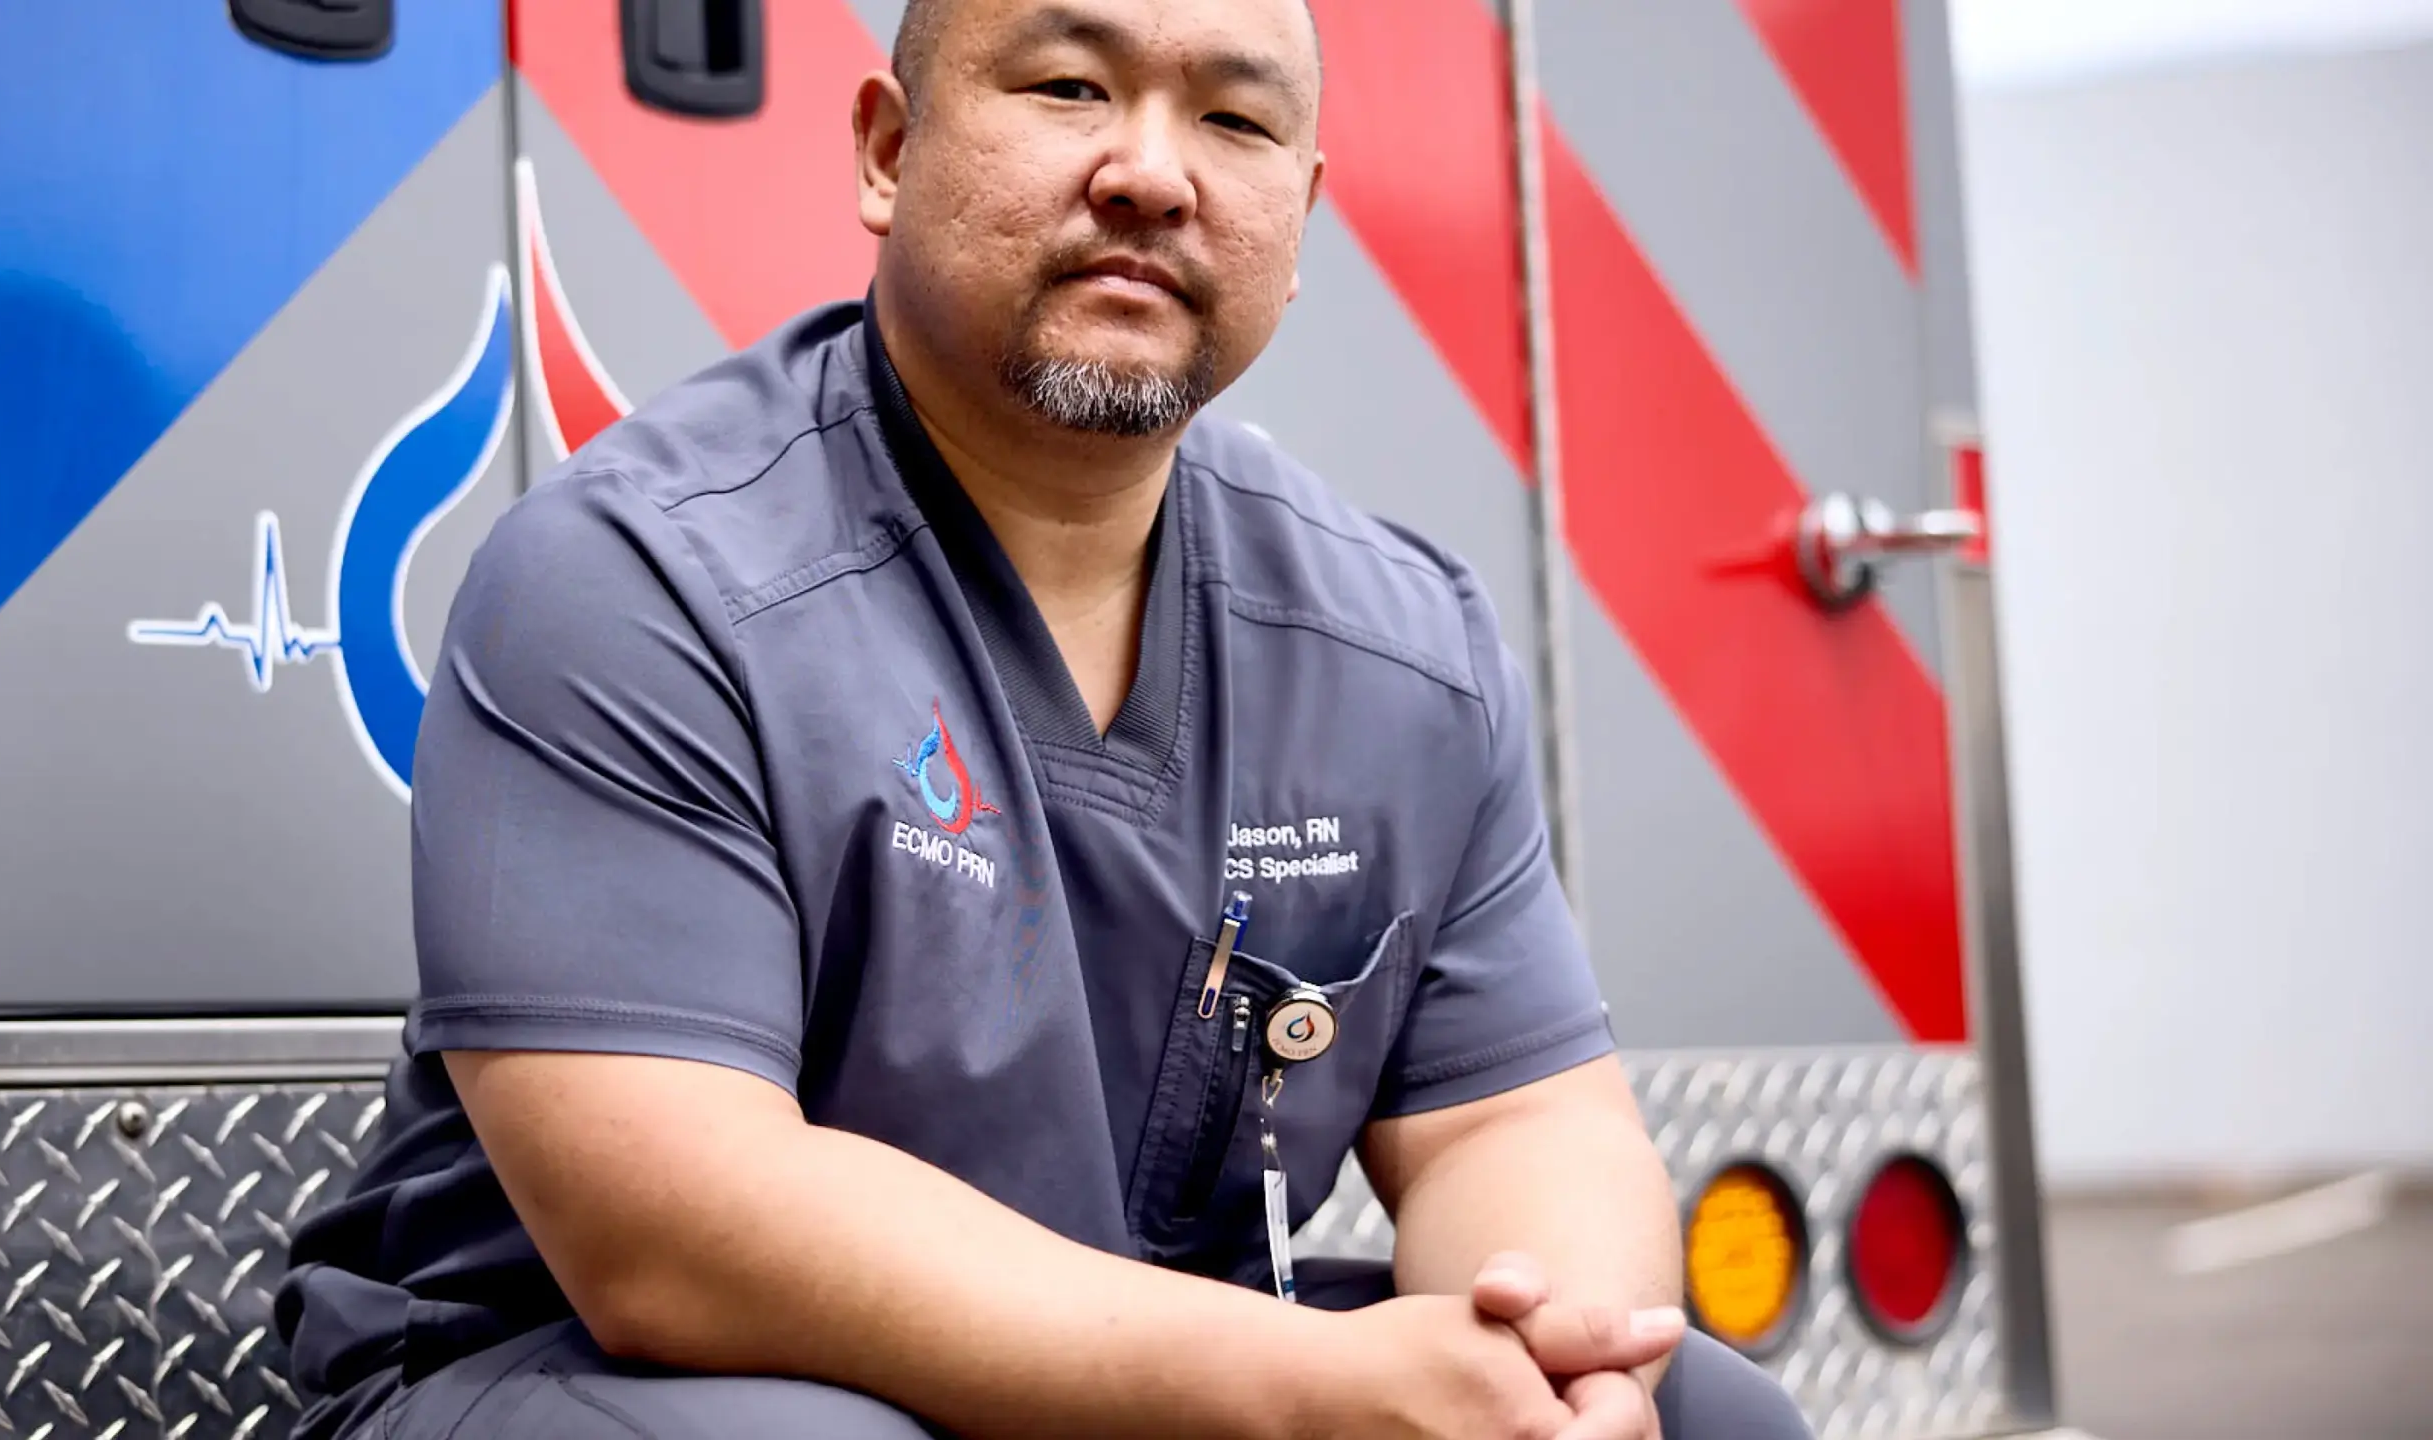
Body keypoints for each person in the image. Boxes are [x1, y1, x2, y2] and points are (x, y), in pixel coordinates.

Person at [273, 0, 1816, 1435]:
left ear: (1301, 222)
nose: (1151, 174)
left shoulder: (1402, 648)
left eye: (1235, 123)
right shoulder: (640, 582)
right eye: (1070, 88)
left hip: (1150, 1365)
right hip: (578, 1370)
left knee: (1709, 1417)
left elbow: (1515, 1127)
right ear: (888, 150)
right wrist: (1292, 1390)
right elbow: (675, 1235)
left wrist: (1559, 1368)